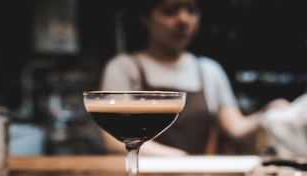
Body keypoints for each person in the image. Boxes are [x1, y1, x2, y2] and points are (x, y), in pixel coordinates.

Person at [100, 0, 287, 156]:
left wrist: (267, 114)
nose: (183, 19)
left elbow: (235, 126)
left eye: (191, 10)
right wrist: (179, 159)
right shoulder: (125, 68)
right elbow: (114, 141)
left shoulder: (209, 70)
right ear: (145, 18)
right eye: (169, 11)